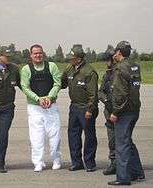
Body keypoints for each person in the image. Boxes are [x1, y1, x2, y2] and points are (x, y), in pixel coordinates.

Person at [108, 41, 145, 186]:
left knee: (121, 144)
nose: (114, 54)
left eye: (115, 52)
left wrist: (116, 111)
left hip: (124, 112)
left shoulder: (120, 68)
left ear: (119, 52)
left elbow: (121, 93)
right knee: (128, 141)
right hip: (135, 109)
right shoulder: (135, 66)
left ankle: (123, 178)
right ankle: (137, 172)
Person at [20, 44, 62, 172]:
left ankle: (56, 159)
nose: (38, 55)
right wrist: (38, 99)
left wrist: (49, 97)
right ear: (31, 55)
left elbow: (57, 83)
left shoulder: (52, 66)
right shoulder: (26, 69)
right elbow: (25, 87)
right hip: (35, 108)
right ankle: (38, 162)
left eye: (40, 53)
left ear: (43, 53)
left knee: (55, 135)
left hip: (51, 106)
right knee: (36, 137)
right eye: (35, 53)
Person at [61, 44, 98, 172]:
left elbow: (93, 94)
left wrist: (90, 110)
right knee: (73, 135)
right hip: (74, 107)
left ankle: (90, 163)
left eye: (72, 57)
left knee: (89, 136)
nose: (70, 59)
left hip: (86, 108)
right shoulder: (69, 69)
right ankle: (76, 162)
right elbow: (62, 83)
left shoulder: (89, 72)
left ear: (79, 58)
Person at [98, 45, 116, 175]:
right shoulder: (107, 74)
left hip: (119, 112)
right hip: (108, 112)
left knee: (123, 140)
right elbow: (100, 91)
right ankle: (114, 163)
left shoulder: (120, 72)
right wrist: (106, 100)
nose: (107, 63)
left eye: (108, 60)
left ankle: (129, 166)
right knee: (112, 140)